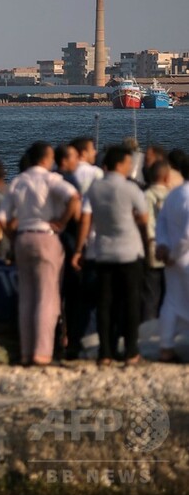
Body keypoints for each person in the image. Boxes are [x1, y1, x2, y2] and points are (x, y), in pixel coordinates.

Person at [0, 141, 80, 366]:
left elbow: (2, 218)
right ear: (46, 158)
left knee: (26, 298)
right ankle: (42, 353)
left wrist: (13, 237)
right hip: (46, 236)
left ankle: (26, 351)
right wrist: (62, 222)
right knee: (47, 297)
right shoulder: (50, 178)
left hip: (23, 237)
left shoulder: (18, 182)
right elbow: (74, 198)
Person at [72, 145, 148, 367]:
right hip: (130, 251)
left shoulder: (94, 189)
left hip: (103, 251)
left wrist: (79, 249)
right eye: (128, 163)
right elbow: (143, 219)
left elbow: (86, 219)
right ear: (121, 164)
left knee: (105, 303)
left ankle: (105, 352)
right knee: (131, 302)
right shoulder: (130, 188)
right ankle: (131, 351)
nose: (131, 166)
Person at [155, 155, 189, 363]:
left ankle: (166, 346)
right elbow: (188, 235)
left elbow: (162, 224)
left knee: (172, 303)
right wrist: (175, 254)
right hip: (184, 256)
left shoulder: (174, 194)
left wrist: (164, 248)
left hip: (172, 260)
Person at [54, 144, 86, 359]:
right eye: (74, 157)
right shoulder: (69, 180)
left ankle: (59, 338)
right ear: (65, 160)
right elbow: (77, 204)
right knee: (74, 295)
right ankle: (71, 340)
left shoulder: (51, 178)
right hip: (69, 239)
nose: (78, 161)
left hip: (54, 241)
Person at [142, 161, 171, 324]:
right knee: (169, 298)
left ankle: (147, 334)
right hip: (171, 252)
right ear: (167, 177)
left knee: (150, 297)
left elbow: (146, 224)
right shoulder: (173, 196)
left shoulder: (146, 195)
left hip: (152, 249)